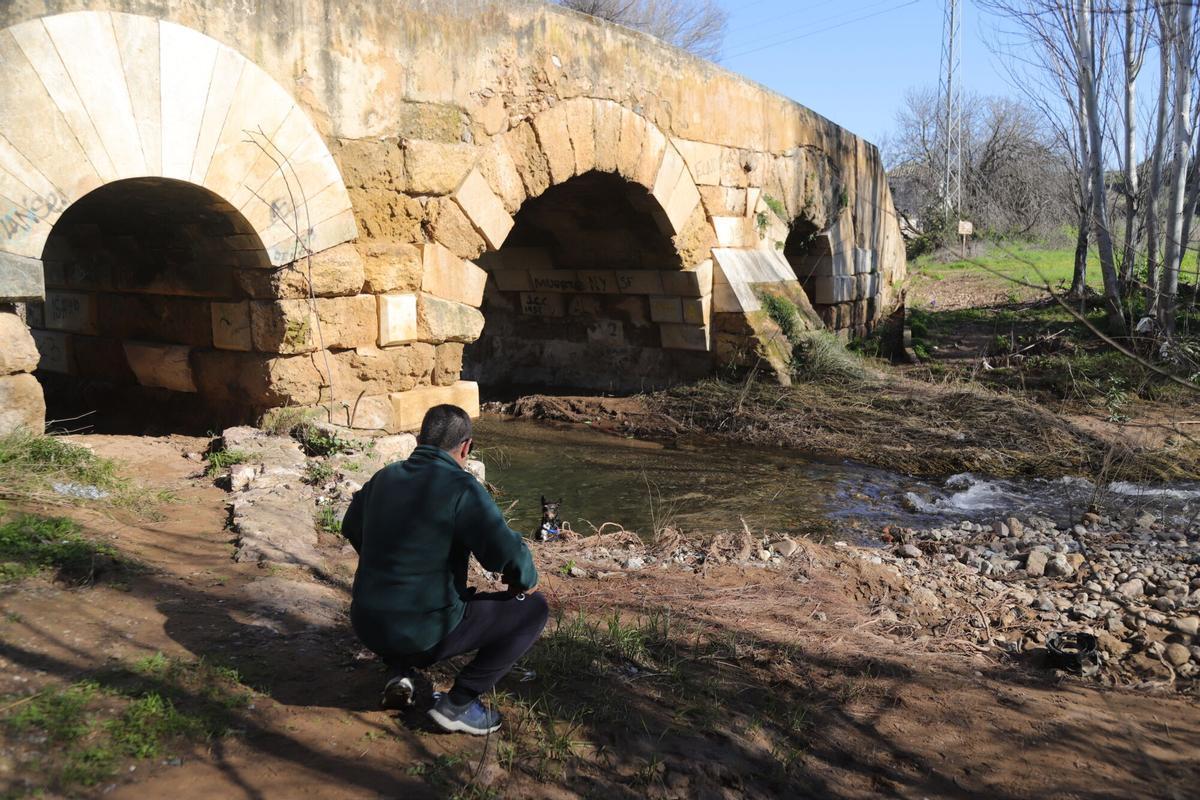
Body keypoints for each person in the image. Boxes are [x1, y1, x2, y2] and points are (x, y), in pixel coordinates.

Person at [341, 404, 547, 735]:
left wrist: (383, 563)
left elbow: (351, 526)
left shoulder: (384, 477)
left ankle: (398, 670)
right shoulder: (461, 487)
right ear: (466, 447)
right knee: (534, 610)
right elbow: (508, 557)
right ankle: (459, 704)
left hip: (368, 624)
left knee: (408, 600)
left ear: (419, 439)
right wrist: (525, 580)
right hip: (423, 632)